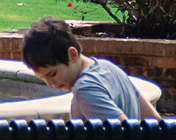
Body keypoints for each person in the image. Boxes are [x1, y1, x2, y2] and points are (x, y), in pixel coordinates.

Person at [21, 18, 158, 120]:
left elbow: (127, 133)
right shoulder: (109, 67)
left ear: (72, 55)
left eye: (52, 74)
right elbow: (153, 119)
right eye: (43, 77)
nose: (49, 83)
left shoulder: (85, 89)